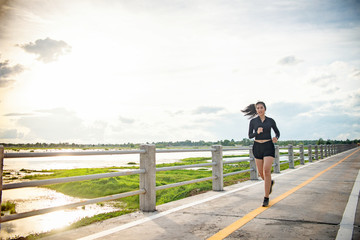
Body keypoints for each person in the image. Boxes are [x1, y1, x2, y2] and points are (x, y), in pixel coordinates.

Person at [242, 101, 280, 207]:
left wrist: (276, 137)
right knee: (261, 174)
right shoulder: (253, 121)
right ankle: (270, 183)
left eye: (261, 107)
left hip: (268, 146)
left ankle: (266, 197)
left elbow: (277, 132)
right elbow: (250, 135)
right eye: (257, 108)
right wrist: (256, 133)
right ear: (256, 110)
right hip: (257, 147)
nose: (259, 109)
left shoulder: (270, 121)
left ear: (265, 109)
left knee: (266, 171)